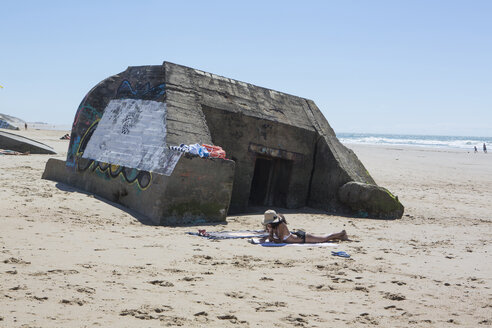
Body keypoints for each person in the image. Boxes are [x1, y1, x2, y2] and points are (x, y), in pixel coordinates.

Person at [258, 209, 348, 244]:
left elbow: (280, 241)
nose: (267, 225)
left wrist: (271, 237)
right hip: (298, 236)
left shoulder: (281, 225)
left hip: (303, 238)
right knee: (324, 237)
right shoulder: (272, 226)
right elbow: (271, 239)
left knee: (325, 238)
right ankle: (341, 235)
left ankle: (342, 233)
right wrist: (269, 235)